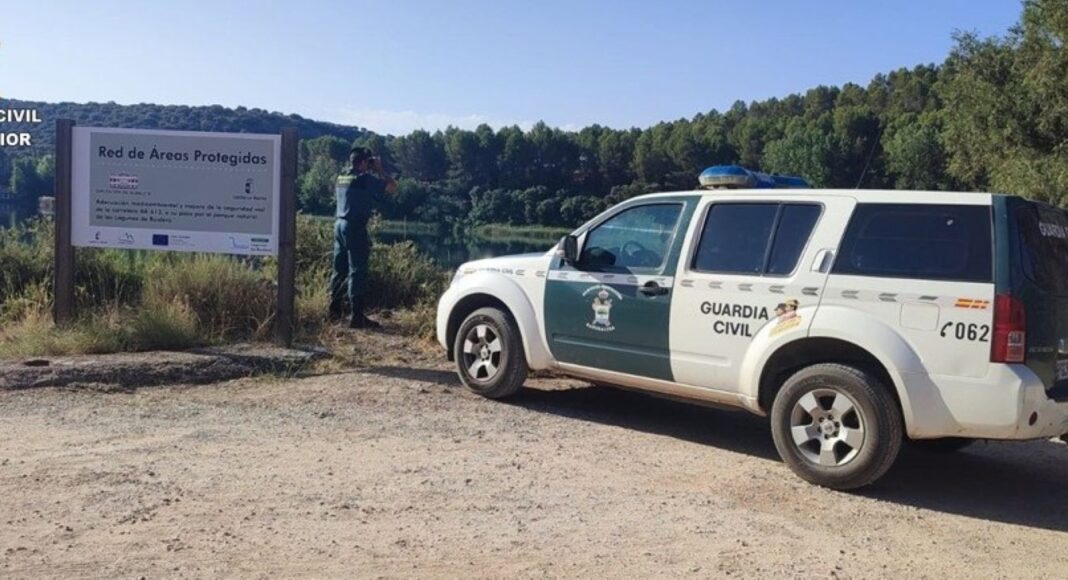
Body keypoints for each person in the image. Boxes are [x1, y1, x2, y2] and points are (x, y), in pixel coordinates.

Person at [329, 146, 397, 329]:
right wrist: (380, 169)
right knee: (357, 271)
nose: (370, 164)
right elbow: (391, 188)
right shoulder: (365, 179)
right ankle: (356, 316)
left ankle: (334, 311)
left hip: (339, 225)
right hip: (354, 227)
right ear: (363, 162)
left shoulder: (341, 178)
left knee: (339, 269)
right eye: (369, 161)